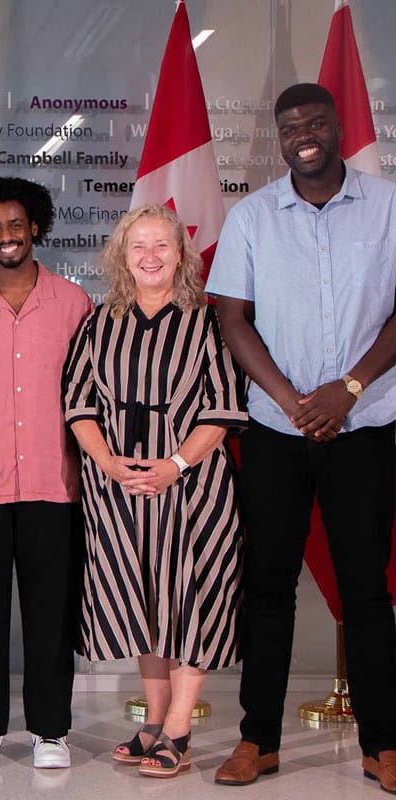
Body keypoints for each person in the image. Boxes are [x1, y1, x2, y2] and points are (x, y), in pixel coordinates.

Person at [207, 83, 396, 790]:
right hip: (276, 434)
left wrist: (346, 390)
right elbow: (233, 320)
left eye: (315, 122)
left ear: (338, 126)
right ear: (279, 138)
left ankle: (384, 743)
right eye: (290, 127)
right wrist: (292, 401)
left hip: (366, 424)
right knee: (266, 587)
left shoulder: (388, 206)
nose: (303, 134)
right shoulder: (254, 217)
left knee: (367, 590)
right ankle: (259, 741)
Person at [63, 203, 246, 778]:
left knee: (193, 599)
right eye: (138, 246)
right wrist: (109, 464)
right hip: (118, 486)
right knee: (145, 599)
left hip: (192, 485)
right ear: (121, 255)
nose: (150, 256)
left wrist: (173, 464)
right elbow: (79, 404)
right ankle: (155, 714)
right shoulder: (99, 320)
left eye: (162, 246)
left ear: (182, 254)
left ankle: (180, 727)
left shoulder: (209, 320)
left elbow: (220, 409)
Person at [0, 176, 91, 770]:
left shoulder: (74, 303)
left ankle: (50, 731)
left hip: (55, 483)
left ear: (36, 227)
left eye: (15, 225)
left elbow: (89, 391)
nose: (5, 236)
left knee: (51, 614)